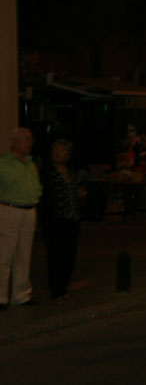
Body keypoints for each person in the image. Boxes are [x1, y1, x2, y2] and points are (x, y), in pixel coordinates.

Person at [0, 128, 42, 309]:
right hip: (9, 209)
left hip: (29, 210)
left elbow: (36, 185)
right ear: (15, 142)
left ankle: (21, 295)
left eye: (31, 139)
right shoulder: (3, 163)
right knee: (4, 255)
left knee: (24, 255)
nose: (30, 142)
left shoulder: (30, 163)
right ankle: (1, 297)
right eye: (26, 139)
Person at [42, 139, 83, 303]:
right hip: (56, 219)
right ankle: (56, 290)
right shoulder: (48, 172)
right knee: (55, 254)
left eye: (64, 152)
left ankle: (64, 286)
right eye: (57, 151)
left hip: (72, 217)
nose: (60, 155)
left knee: (69, 253)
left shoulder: (70, 171)